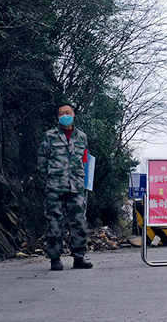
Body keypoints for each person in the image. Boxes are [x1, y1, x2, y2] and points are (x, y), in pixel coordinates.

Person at [38, 103, 93, 271]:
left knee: (79, 222)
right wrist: (46, 182)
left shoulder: (82, 136)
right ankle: (55, 258)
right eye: (61, 113)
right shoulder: (49, 136)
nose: (65, 115)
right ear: (57, 117)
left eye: (67, 112)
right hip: (55, 187)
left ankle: (79, 257)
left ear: (74, 115)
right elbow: (42, 161)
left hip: (76, 186)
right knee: (54, 223)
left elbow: (85, 159)